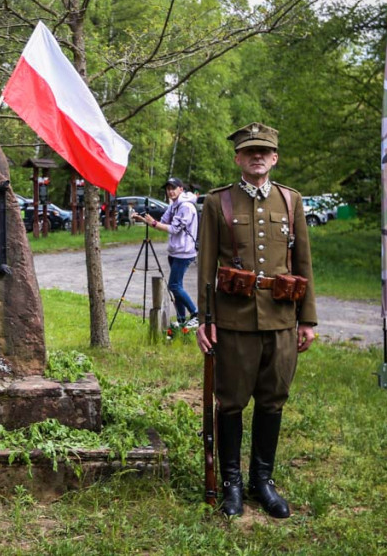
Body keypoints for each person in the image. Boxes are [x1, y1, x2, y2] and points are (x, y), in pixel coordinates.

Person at [196, 122, 317, 519]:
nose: (257, 156)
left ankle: (261, 481)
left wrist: (307, 320)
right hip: (233, 321)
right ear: (238, 158)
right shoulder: (218, 203)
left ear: (275, 157)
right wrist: (205, 318)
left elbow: (303, 264)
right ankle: (231, 483)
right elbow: (206, 266)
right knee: (230, 402)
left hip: (282, 320)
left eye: (264, 151)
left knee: (272, 400)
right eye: (250, 151)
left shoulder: (291, 201)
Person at [134, 177, 198, 334]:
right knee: (178, 287)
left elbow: (174, 229)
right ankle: (182, 319)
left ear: (181, 189)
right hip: (175, 252)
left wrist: (154, 223)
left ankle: (196, 314)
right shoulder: (174, 205)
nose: (170, 191)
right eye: (168, 188)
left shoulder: (186, 207)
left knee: (174, 286)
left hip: (185, 252)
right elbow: (162, 223)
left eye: (173, 188)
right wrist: (144, 219)